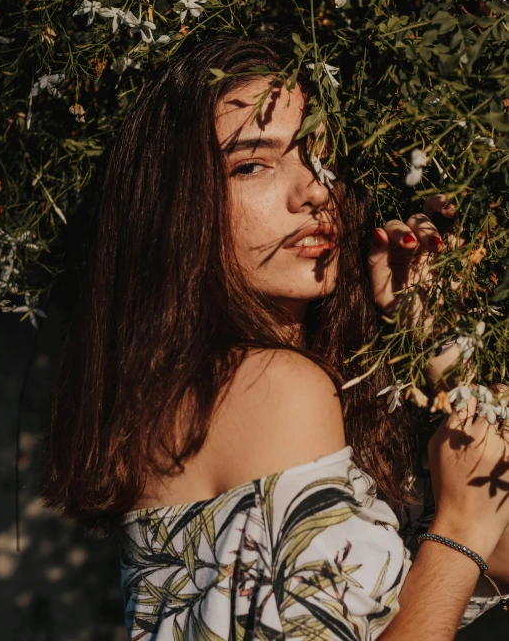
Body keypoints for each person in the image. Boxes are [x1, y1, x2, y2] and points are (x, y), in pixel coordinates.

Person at [39, 34, 509, 640]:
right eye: (252, 164)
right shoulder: (272, 386)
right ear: (177, 205)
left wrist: (431, 336)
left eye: (318, 152)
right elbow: (477, 537)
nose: (313, 189)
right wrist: (458, 531)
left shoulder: (204, 390)